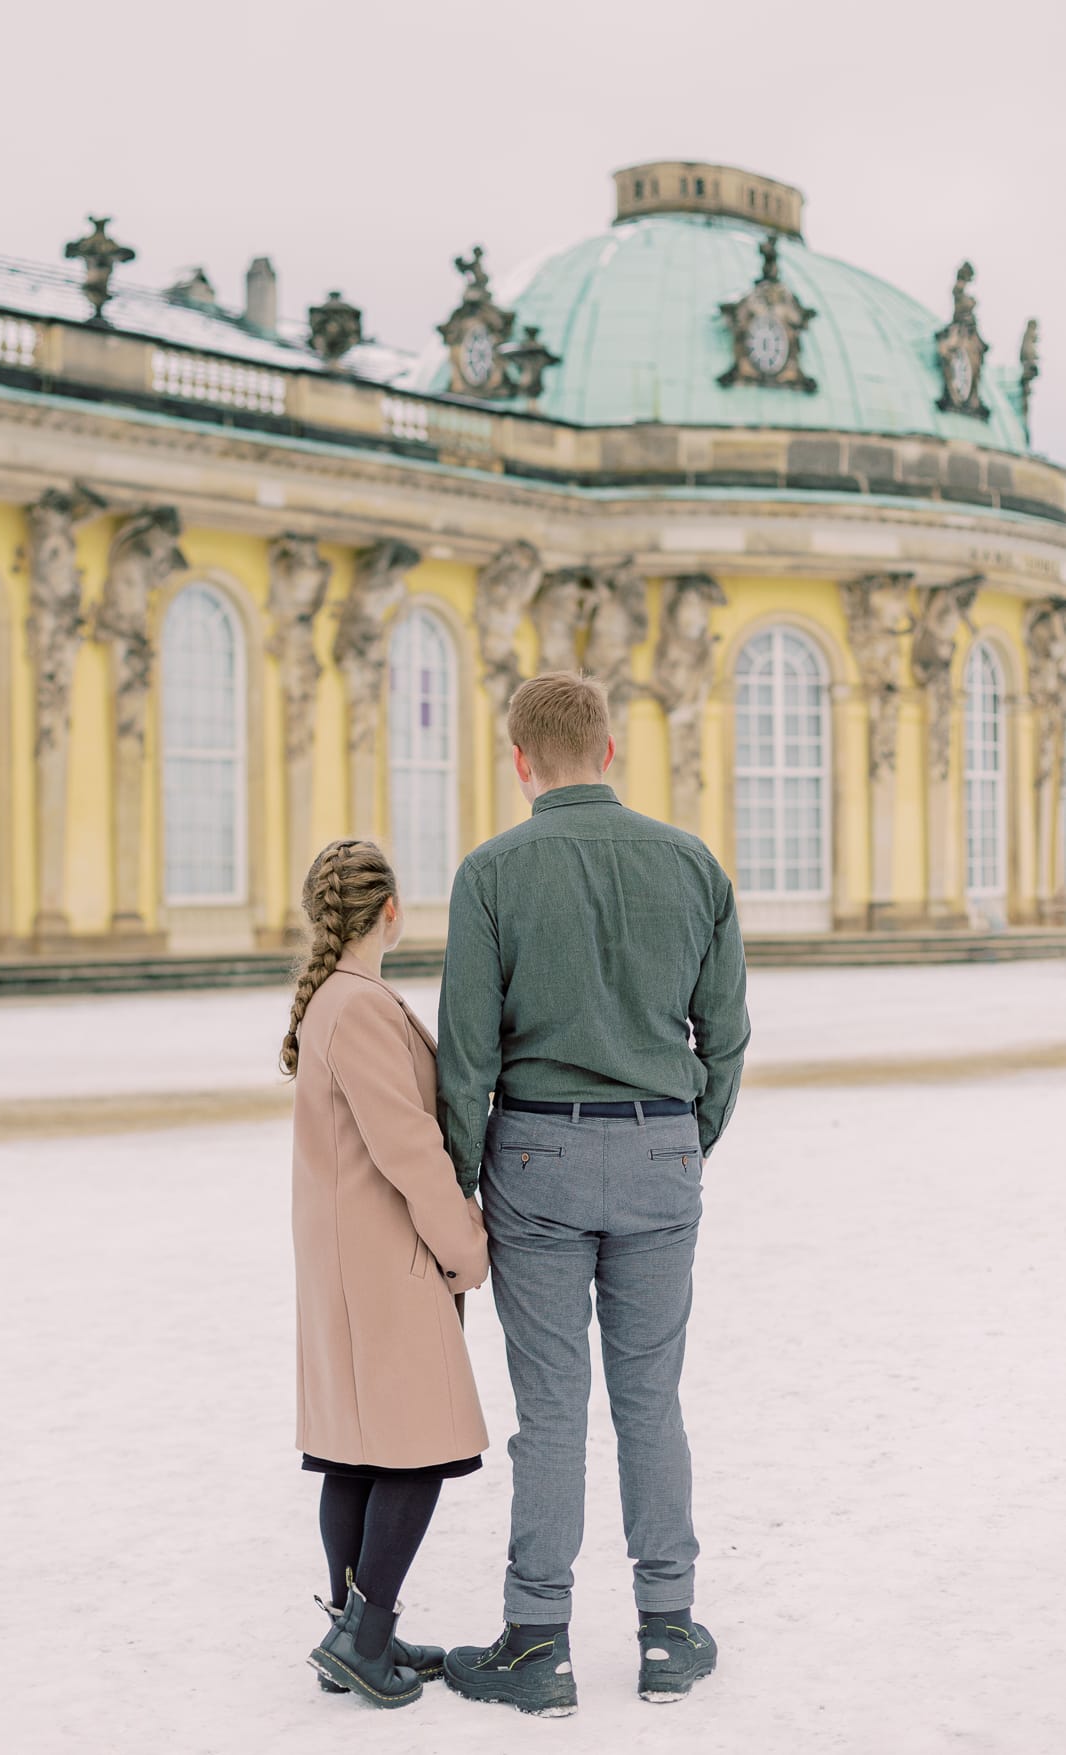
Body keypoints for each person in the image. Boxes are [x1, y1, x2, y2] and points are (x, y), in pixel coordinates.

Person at [436, 672, 750, 1717]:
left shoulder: (489, 873)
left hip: (535, 1159)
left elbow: (466, 1056)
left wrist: (465, 1181)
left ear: (521, 760)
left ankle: (539, 1641)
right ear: (609, 751)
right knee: (651, 1400)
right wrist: (686, 1136)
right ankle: (667, 1632)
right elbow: (729, 1033)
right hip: (660, 1149)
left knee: (553, 1409)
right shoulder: (692, 863)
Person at [283, 838, 490, 1710]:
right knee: (419, 1446)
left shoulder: (335, 999)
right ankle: (364, 1638)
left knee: (356, 1451)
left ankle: (352, 1627)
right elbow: (408, 1145)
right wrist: (465, 1245)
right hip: (384, 1258)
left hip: (347, 1258)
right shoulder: (360, 1007)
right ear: (392, 913)